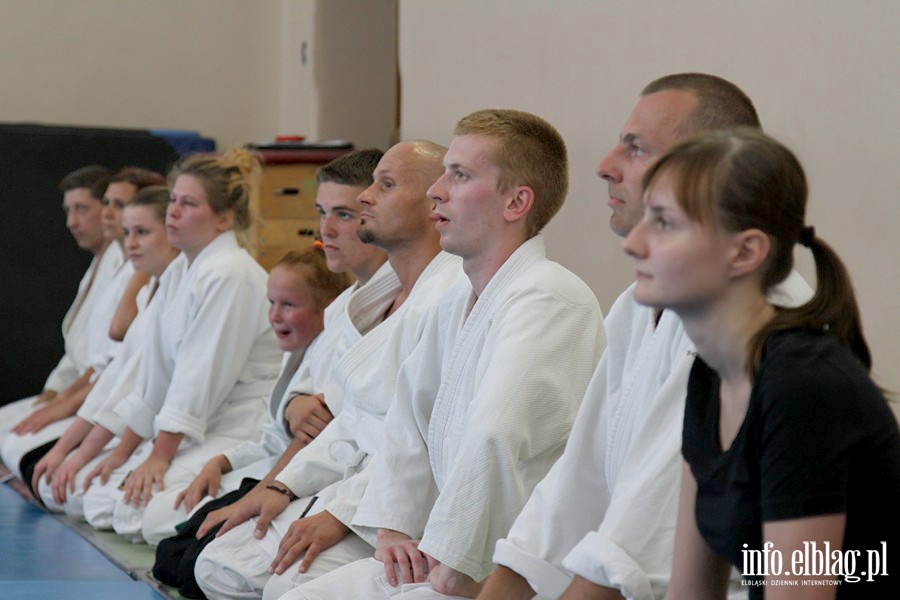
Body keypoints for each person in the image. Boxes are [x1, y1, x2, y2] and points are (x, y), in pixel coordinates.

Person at [478, 74, 812, 600]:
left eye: (635, 148)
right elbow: (578, 484)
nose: (605, 165)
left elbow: (638, 553)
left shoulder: (767, 338)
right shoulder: (642, 307)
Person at [282, 108, 605, 600]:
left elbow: (497, 435)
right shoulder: (458, 296)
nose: (437, 189)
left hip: (511, 567)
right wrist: (392, 528)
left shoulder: (549, 297)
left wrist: (457, 560)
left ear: (516, 202)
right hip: (443, 543)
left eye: (460, 175)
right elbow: (409, 418)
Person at [625, 129, 900, 599]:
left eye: (664, 223)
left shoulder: (803, 385)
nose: (634, 242)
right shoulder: (711, 374)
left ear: (746, 251)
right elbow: (690, 593)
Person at [194, 140, 463, 600]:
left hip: (400, 510)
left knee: (284, 588)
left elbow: (419, 445)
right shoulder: (372, 300)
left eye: (386, 185)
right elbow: (348, 419)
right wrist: (283, 484)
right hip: (347, 480)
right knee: (217, 567)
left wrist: (338, 513)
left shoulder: (451, 296)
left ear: (432, 201)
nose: (365, 199)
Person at [147, 150, 390, 595]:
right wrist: (291, 416)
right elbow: (305, 408)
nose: (326, 230)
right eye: (322, 213)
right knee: (182, 548)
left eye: (344, 214)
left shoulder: (418, 301)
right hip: (295, 466)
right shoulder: (347, 306)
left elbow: (352, 431)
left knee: (218, 566)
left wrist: (278, 487)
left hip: (361, 494)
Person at [80, 148, 283, 542]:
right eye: (173, 200)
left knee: (144, 518)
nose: (173, 211)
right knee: (97, 500)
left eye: (188, 203)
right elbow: (155, 377)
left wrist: (159, 456)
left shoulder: (230, 273)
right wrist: (125, 452)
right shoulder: (179, 271)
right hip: (197, 428)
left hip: (240, 429)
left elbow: (198, 376)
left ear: (224, 218)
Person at [8, 167, 167, 491]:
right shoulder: (123, 265)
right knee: (16, 441)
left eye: (118, 205)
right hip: (104, 399)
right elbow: (103, 361)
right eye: (106, 203)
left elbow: (119, 345)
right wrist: (59, 398)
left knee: (85, 493)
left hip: (147, 419)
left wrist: (68, 410)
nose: (109, 214)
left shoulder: (154, 273)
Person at [34, 185, 179, 516]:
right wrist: (66, 450)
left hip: (188, 432)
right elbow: (116, 375)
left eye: (141, 232)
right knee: (68, 485)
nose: (130, 242)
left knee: (104, 503)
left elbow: (148, 388)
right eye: (129, 232)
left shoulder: (212, 281)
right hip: (146, 425)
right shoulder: (152, 291)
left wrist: (114, 452)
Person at [0, 165, 116, 472]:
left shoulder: (123, 262)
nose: (71, 222)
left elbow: (107, 359)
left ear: (107, 209)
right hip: (77, 390)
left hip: (96, 400)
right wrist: (51, 394)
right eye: (68, 210)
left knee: (14, 440)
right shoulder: (98, 263)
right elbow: (75, 353)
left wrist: (64, 402)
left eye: (81, 209)